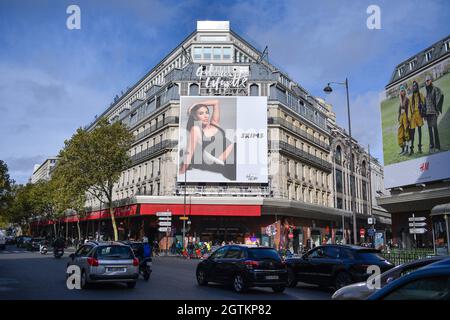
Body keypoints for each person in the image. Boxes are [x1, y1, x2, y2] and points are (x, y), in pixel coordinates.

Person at [179, 99, 236, 181]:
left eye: (207, 112)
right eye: (201, 113)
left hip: (235, 153)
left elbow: (216, 102)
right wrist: (182, 170)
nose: (206, 116)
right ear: (195, 117)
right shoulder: (196, 130)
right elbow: (190, 152)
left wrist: (197, 103)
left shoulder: (214, 123)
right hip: (227, 162)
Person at [424, 75, 443, 153]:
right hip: (428, 113)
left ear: (431, 80)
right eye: (426, 81)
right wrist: (425, 114)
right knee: (429, 130)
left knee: (435, 129)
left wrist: (437, 110)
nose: (427, 82)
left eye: (428, 80)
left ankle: (437, 146)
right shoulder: (427, 90)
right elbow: (426, 103)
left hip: (434, 113)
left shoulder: (435, 89)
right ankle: (431, 145)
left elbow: (438, 98)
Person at [408, 81, 425, 155]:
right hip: (413, 116)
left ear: (417, 87)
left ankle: (420, 148)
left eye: (415, 86)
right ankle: (411, 149)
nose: (414, 87)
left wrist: (422, 108)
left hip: (419, 115)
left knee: (420, 132)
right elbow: (409, 108)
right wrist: (409, 118)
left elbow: (424, 103)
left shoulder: (420, 95)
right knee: (412, 133)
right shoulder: (411, 97)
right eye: (413, 86)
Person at [397, 85, 410, 155]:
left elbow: (406, 109)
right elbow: (399, 111)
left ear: (404, 91)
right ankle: (403, 149)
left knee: (406, 134)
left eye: (403, 91)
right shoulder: (400, 100)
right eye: (400, 91)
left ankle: (407, 150)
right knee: (401, 134)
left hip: (406, 118)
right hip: (401, 119)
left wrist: (408, 119)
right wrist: (399, 118)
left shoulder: (407, 99)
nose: (402, 92)